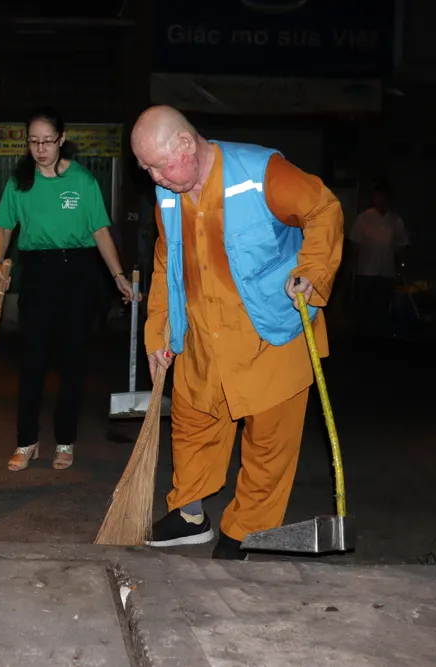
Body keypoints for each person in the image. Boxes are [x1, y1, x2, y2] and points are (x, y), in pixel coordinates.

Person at [130, 105, 344, 559]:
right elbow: (167, 264)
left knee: (268, 443)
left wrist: (313, 271)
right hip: (204, 337)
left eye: (158, 165)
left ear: (186, 145)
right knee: (192, 426)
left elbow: (324, 209)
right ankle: (190, 515)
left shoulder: (263, 173)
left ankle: (246, 529)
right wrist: (158, 334)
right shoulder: (168, 194)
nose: (154, 177)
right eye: (145, 168)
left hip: (270, 334)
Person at [0, 107, 136, 472]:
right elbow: (4, 229)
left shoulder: (83, 182)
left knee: (73, 362)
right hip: (37, 273)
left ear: (62, 139)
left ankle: (65, 441)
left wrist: (118, 275)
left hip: (78, 273)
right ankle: (27, 442)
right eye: (33, 142)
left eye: (47, 141)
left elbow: (100, 231)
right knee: (32, 362)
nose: (40, 149)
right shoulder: (20, 182)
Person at [348, 182, 410, 336]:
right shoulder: (364, 218)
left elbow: (401, 245)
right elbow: (354, 244)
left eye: (383, 196)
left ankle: (379, 339)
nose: (380, 199)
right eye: (377, 196)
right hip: (365, 271)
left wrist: (402, 266)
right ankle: (360, 338)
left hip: (386, 272)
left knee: (381, 308)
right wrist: (350, 268)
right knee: (363, 308)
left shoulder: (395, 220)